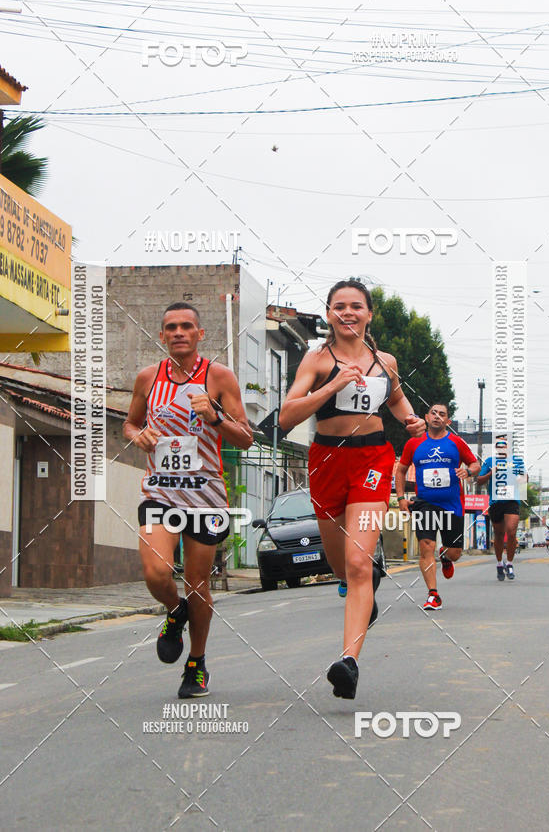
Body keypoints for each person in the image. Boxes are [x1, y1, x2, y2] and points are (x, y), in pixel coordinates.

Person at [279, 280, 424, 699]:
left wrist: (411, 420)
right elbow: (287, 416)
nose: (348, 312)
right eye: (339, 306)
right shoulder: (317, 359)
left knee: (358, 561)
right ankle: (361, 585)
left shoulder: (385, 361)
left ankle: (349, 663)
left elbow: (395, 399)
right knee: (341, 565)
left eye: (356, 306)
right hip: (327, 460)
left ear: (369, 314)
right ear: (329, 314)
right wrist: (333, 385)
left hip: (372, 459)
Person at [124, 302, 253, 697]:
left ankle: (196, 664)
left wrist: (215, 417)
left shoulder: (219, 377)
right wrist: (137, 435)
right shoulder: (148, 378)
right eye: (171, 327)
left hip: (205, 498)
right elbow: (130, 423)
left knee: (198, 585)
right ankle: (175, 611)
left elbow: (245, 438)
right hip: (159, 492)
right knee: (156, 572)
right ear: (162, 335)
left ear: (200, 334)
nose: (178, 332)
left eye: (186, 326)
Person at [395, 404, 480, 610]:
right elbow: (401, 470)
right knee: (426, 546)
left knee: (455, 553)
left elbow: (475, 464)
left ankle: (445, 556)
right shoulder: (414, 443)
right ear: (426, 417)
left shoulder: (456, 442)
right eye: (433, 413)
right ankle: (433, 595)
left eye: (442, 414)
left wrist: (468, 472)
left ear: (447, 421)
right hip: (425, 503)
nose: (437, 416)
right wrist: (401, 498)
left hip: (452, 504)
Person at [476, 441, 526, 580]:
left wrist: (520, 479)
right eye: (499, 446)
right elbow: (479, 480)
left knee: (511, 532)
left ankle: (509, 563)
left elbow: (524, 478)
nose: (502, 448)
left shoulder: (516, 461)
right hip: (496, 502)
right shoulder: (490, 461)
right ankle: (499, 563)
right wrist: (491, 473)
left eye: (504, 446)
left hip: (512, 500)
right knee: (498, 534)